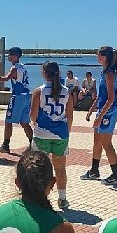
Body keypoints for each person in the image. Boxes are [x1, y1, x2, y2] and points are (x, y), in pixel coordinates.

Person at [31, 61, 75, 210]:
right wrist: (66, 132)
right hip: (61, 134)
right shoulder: (66, 92)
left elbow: (33, 115)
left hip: (42, 133)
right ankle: (62, 199)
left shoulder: (39, 91)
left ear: (44, 74)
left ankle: (39, 197)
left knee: (39, 167)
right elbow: (70, 115)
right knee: (60, 168)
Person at [81, 46, 117, 184]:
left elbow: (111, 98)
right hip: (102, 111)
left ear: (104, 57)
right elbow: (101, 95)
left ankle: (116, 175)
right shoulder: (103, 73)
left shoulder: (109, 74)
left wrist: (99, 118)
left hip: (109, 112)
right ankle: (94, 170)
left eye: (98, 55)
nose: (96, 57)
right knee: (97, 142)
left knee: (106, 144)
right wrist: (92, 108)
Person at [0, 47, 33, 155]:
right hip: (26, 96)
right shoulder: (23, 67)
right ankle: (33, 144)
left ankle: (5, 145)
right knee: (24, 122)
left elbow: (6, 78)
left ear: (15, 56)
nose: (8, 56)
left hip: (17, 96)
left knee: (8, 121)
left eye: (10, 54)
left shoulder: (14, 68)